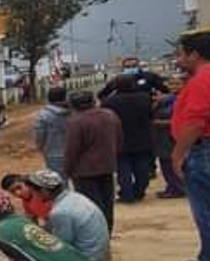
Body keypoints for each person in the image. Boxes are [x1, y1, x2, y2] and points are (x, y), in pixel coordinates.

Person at [170, 30, 210, 261]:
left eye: (181, 53)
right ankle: (206, 257)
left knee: (205, 212)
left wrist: (178, 154)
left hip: (201, 149)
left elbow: (195, 122)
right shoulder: (200, 78)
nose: (178, 58)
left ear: (195, 54)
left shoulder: (202, 80)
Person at [23, 169, 110, 261]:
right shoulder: (74, 196)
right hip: (99, 255)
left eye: (34, 192)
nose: (34, 196)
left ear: (44, 191)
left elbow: (61, 246)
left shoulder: (60, 212)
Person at [64, 91, 121, 233]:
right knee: (107, 202)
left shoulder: (76, 122)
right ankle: (107, 231)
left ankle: (96, 234)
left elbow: (72, 149)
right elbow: (119, 139)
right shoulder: (110, 115)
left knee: (90, 205)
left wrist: (67, 169)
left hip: (84, 170)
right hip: (107, 166)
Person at [101, 74, 154, 203]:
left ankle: (127, 194)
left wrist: (109, 88)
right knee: (142, 169)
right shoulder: (145, 98)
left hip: (119, 139)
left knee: (123, 170)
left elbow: (100, 97)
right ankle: (139, 191)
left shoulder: (109, 102)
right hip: (143, 139)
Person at [153, 76, 186, 198]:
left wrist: (162, 123)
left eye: (177, 84)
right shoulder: (166, 99)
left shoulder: (184, 98)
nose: (174, 87)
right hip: (162, 136)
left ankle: (178, 188)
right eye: (171, 84)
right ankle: (171, 186)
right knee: (165, 163)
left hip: (175, 135)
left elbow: (184, 119)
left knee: (173, 162)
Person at [33, 87, 71, 178]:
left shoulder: (44, 115)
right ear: (65, 97)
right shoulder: (73, 112)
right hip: (73, 152)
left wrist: (40, 148)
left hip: (53, 154)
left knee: (58, 181)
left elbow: (39, 136)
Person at [98, 56, 169, 100]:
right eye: (128, 67)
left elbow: (165, 91)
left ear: (138, 66)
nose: (131, 69)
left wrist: (156, 99)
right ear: (123, 68)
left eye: (134, 66)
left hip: (147, 108)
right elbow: (102, 95)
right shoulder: (117, 79)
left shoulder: (150, 76)